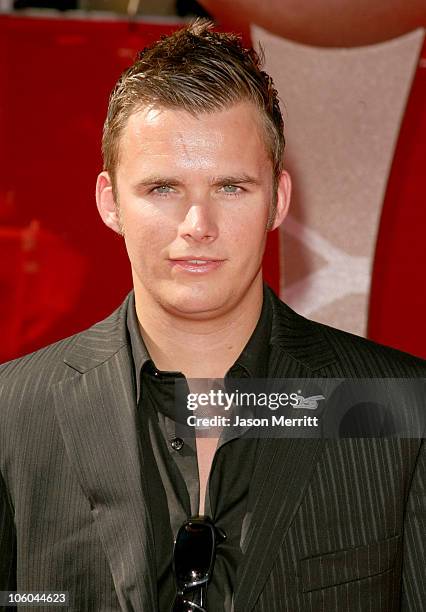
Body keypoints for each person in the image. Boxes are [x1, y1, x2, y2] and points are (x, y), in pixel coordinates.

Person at [0, 20, 424, 612]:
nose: (197, 224)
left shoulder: (402, 410)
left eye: (230, 187)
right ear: (109, 201)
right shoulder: (13, 411)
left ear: (277, 200)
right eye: (163, 188)